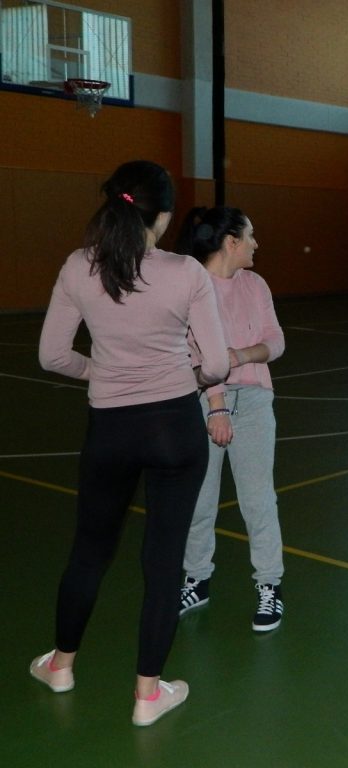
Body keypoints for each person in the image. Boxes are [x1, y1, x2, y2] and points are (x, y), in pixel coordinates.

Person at [32, 161, 229, 725]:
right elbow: (216, 365)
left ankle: (61, 665)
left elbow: (51, 355)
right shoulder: (186, 272)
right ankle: (148, 695)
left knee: (89, 552)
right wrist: (184, 375)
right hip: (174, 429)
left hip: (111, 430)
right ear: (162, 215)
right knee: (163, 562)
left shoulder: (79, 266)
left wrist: (98, 370)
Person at [174, 207, 287, 631]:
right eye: (250, 235)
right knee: (199, 500)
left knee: (259, 499)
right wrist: (217, 404)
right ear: (230, 242)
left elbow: (276, 341)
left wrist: (239, 356)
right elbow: (193, 353)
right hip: (203, 401)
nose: (257, 243)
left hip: (255, 399)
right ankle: (197, 579)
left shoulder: (255, 284)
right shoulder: (191, 289)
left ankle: (270, 585)